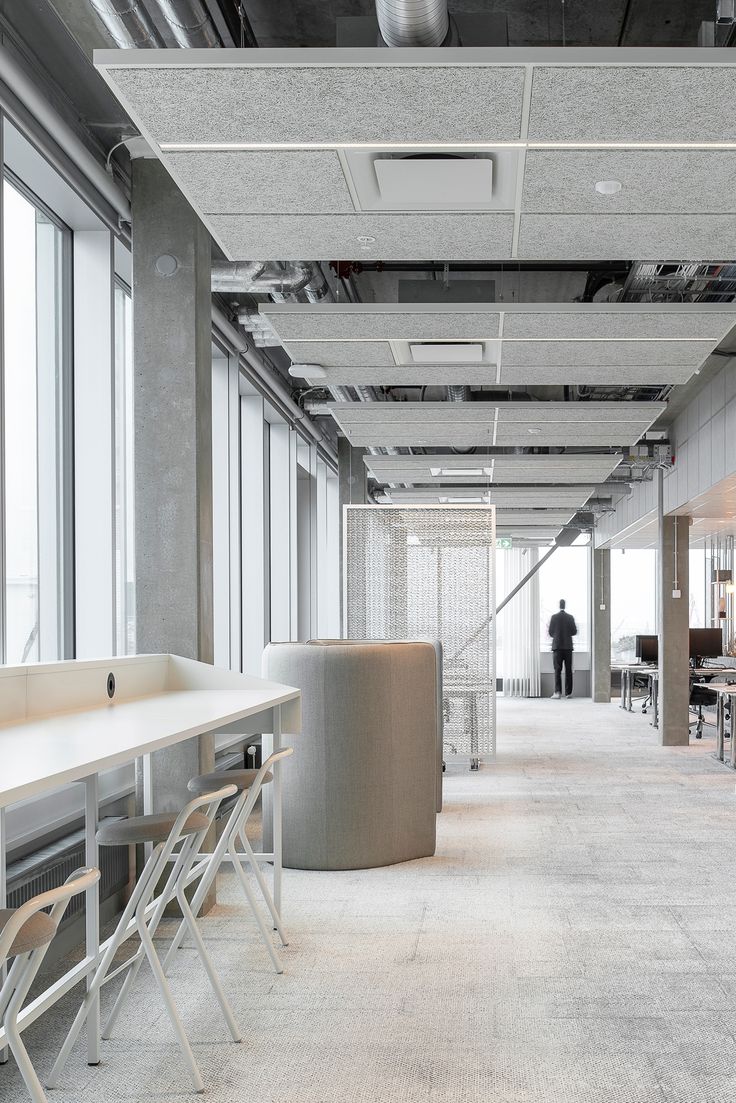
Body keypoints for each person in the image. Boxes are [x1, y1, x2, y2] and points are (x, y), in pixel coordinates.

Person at [548, 599, 577, 699]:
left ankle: (557, 692)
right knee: (568, 670)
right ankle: (568, 693)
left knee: (557, 670)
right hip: (568, 647)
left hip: (557, 647)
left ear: (559, 605)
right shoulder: (570, 617)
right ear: (565, 605)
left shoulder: (554, 617)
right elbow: (574, 631)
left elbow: (550, 632)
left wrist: (557, 635)